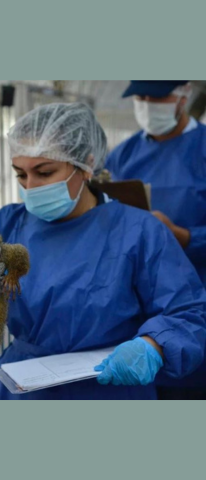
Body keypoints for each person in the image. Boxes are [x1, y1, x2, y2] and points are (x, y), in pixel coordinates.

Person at [0, 102, 206, 400]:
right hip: (25, 386)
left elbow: (187, 311)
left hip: (113, 385)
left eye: (44, 172)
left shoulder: (139, 231)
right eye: (21, 175)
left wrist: (152, 346)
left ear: (86, 165)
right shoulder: (6, 226)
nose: (31, 187)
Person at [106, 81, 206, 399]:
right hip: (139, 307)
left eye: (157, 96)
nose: (148, 103)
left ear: (184, 94)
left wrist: (186, 237)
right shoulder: (123, 155)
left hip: (196, 298)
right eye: (141, 96)